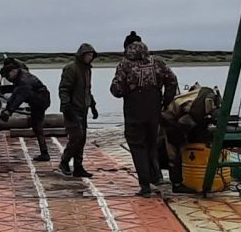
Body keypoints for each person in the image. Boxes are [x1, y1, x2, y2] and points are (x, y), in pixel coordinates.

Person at [109, 40, 177, 196]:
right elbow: (172, 81)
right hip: (154, 107)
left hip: (134, 110)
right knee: (152, 143)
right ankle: (156, 177)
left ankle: (145, 186)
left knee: (137, 146)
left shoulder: (125, 65)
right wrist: (166, 101)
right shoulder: (158, 62)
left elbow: (117, 90)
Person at [55, 43, 98, 178]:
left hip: (83, 109)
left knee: (82, 139)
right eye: (88, 55)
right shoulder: (71, 68)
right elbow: (64, 89)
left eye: (91, 55)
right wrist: (66, 105)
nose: (90, 57)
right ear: (82, 55)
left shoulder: (87, 70)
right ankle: (64, 162)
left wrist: (93, 106)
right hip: (72, 109)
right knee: (76, 137)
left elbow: (87, 90)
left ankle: (78, 167)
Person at [0, 58, 52, 161]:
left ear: (13, 71)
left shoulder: (24, 81)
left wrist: (9, 111)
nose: (8, 80)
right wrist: (8, 107)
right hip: (37, 98)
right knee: (36, 127)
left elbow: (20, 97)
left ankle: (45, 153)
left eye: (8, 76)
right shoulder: (20, 73)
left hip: (41, 100)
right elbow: (15, 93)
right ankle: (44, 152)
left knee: (37, 127)